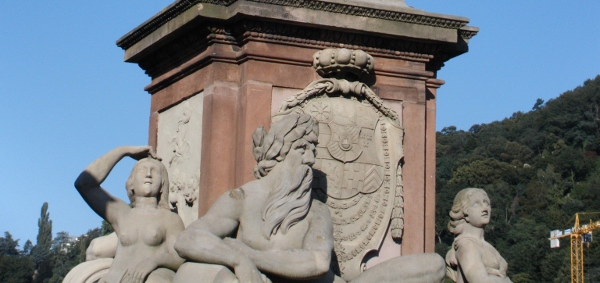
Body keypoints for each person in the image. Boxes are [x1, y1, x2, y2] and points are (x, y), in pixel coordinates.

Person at [173, 111, 445, 283]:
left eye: (313, 149)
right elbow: (188, 238)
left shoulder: (316, 211)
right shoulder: (241, 199)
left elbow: (317, 262)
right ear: (278, 151)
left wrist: (248, 256)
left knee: (433, 265)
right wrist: (237, 261)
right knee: (195, 273)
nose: (311, 158)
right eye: (303, 148)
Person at [75, 145, 185, 283]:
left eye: (155, 171)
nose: (148, 174)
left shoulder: (170, 218)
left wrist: (153, 261)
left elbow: (180, 256)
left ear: (163, 184)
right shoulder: (121, 213)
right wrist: (123, 151)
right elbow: (84, 184)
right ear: (131, 182)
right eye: (142, 170)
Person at [445, 189, 512, 283]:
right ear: (465, 212)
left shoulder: (487, 246)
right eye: (476, 204)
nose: (485, 208)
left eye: (487, 203)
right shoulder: (467, 245)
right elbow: (480, 281)